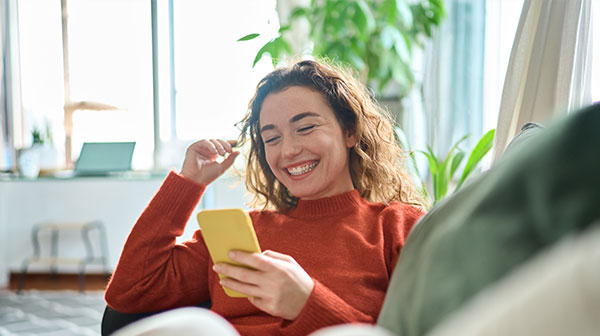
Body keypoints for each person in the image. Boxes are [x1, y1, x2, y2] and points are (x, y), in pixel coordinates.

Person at [105, 59, 426, 336]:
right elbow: (130, 293)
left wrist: (308, 303)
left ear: (350, 131)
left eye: (306, 127)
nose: (288, 150)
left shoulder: (397, 227)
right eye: (271, 137)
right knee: (198, 326)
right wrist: (188, 184)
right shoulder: (242, 234)